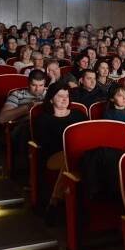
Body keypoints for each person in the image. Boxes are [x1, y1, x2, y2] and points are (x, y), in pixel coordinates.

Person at [34, 82, 87, 210]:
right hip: (54, 157)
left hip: (78, 154)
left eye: (67, 96)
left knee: (76, 156)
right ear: (51, 99)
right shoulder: (44, 119)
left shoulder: (79, 115)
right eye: (60, 96)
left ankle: (55, 200)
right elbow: (44, 144)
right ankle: (55, 201)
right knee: (69, 157)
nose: (64, 99)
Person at [0, 69, 47, 169]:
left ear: (45, 84)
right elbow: (2, 118)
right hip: (24, 126)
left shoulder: (50, 94)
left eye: (41, 85)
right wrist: (28, 107)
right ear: (28, 83)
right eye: (34, 85)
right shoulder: (17, 94)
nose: (37, 89)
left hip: (45, 124)